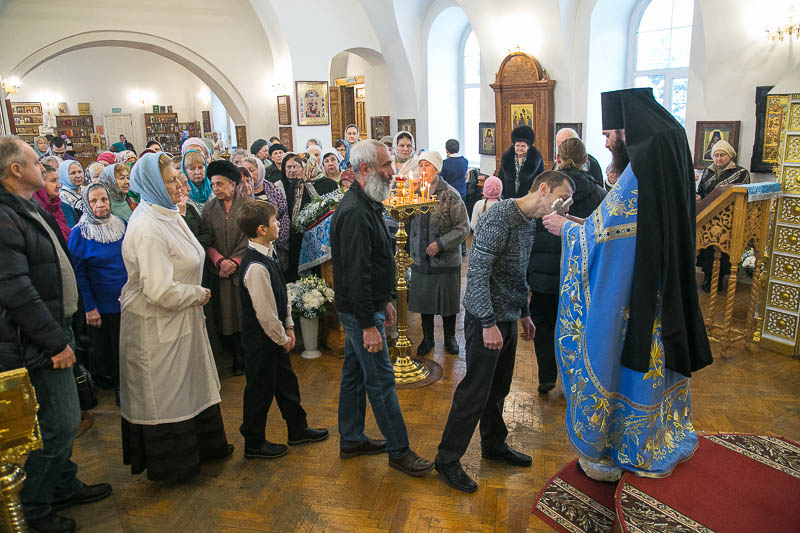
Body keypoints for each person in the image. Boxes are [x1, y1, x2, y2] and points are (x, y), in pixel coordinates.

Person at [542, 87, 713, 482]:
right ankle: (658, 436)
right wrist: (583, 224)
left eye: (608, 134)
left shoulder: (637, 172)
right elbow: (626, 229)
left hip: (636, 294)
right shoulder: (667, 151)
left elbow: (605, 237)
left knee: (626, 360)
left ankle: (621, 448)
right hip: (660, 285)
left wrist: (565, 229)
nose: (605, 142)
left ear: (625, 130)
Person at [434, 170, 573, 493]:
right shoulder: (499, 217)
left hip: (507, 318)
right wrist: (487, 323)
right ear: (543, 189)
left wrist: (524, 313)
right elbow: (478, 274)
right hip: (487, 320)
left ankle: (494, 444)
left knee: (498, 388)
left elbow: (518, 271)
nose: (566, 207)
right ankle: (447, 459)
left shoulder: (529, 222)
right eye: (563, 198)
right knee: (474, 392)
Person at [0, 136, 112, 532]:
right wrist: (55, 342)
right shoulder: (5, 216)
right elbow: (16, 290)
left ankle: (62, 484)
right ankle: (33, 505)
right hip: (37, 340)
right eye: (36, 162)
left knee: (63, 415)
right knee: (60, 422)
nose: (45, 168)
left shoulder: (26, 206)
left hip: (55, 327)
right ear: (15, 170)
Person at [120, 152, 232, 482]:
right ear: (153, 185)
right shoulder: (148, 227)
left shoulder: (167, 212)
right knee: (169, 395)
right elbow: (159, 290)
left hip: (182, 318)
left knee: (192, 385)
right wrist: (198, 294)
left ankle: (206, 447)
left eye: (178, 178)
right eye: (171, 181)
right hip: (158, 323)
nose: (180, 185)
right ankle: (175, 465)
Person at [330, 139, 434, 477]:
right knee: (381, 380)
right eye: (387, 165)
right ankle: (399, 450)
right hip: (359, 313)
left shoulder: (366, 202)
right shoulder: (355, 212)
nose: (393, 172)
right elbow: (354, 273)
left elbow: (373, 263)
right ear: (365, 170)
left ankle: (351, 438)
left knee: (354, 373)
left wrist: (385, 301)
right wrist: (367, 324)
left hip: (366, 307)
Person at [236, 200, 329, 459]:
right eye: (275, 221)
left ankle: (297, 429)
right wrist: (281, 337)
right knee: (259, 391)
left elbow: (281, 295)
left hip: (276, 335)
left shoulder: (269, 251)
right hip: (261, 340)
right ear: (262, 229)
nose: (279, 224)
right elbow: (265, 313)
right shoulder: (255, 266)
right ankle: (254, 442)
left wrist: (289, 325)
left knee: (287, 385)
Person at [527, 138, 605, 395]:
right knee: (578, 329)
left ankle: (546, 376)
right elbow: (601, 236)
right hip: (580, 274)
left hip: (543, 273)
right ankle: (572, 381)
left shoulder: (544, 189)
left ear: (557, 158)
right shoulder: (599, 194)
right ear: (586, 160)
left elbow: (531, 229)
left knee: (543, 324)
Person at [68, 182, 128, 405]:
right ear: (86, 204)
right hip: (102, 304)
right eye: (93, 201)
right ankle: (118, 387)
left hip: (127, 299)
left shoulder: (121, 224)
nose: (100, 204)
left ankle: (130, 383)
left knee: (128, 346)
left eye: (103, 199)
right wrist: (90, 307)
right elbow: (79, 275)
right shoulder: (80, 233)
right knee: (110, 349)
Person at [408, 151, 469, 356]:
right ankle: (428, 338)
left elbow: (463, 228)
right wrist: (409, 197)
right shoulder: (414, 193)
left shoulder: (450, 194)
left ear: (437, 168)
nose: (423, 169)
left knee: (447, 302)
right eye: (420, 165)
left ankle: (450, 337)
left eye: (427, 165)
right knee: (424, 301)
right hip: (420, 258)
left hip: (445, 260)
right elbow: (404, 222)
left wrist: (440, 244)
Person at [202, 160, 249, 375]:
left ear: (233, 184)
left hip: (244, 268)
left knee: (245, 310)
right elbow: (206, 239)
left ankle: (248, 353)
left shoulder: (248, 205)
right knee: (227, 313)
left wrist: (236, 261)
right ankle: (236, 355)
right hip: (220, 270)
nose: (216, 189)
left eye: (220, 184)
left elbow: (251, 236)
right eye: (213, 185)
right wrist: (220, 261)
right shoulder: (209, 209)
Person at [696, 139, 751, 292]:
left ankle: (718, 279)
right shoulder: (707, 171)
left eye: (722, 155)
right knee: (707, 250)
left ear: (730, 156)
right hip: (707, 216)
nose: (718, 158)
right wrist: (698, 197)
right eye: (716, 155)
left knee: (722, 251)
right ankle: (708, 277)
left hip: (727, 218)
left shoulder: (740, 173)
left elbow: (743, 195)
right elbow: (701, 191)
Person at [282, 153, 338, 282]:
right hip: (298, 236)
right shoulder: (295, 185)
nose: (295, 170)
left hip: (320, 236)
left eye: (299, 166)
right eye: (293, 167)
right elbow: (290, 208)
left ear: (309, 167)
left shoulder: (328, 184)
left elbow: (329, 208)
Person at [242, 155, 290, 269]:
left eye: (251, 170)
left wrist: (277, 238)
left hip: (278, 243)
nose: (249, 175)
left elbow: (284, 216)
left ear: (260, 171)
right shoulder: (242, 192)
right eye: (245, 172)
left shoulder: (273, 188)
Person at [497, 125, 544, 198]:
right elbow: (501, 177)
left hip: (528, 197)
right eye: (517, 145)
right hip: (508, 197)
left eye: (523, 146)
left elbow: (541, 179)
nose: (520, 148)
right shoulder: (506, 158)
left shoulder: (536, 159)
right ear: (514, 145)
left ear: (528, 147)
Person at [33, 163, 74, 242]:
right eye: (53, 181)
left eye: (58, 180)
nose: (59, 185)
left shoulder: (58, 207)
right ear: (40, 183)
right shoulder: (34, 211)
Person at [183, 149, 213, 214]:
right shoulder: (182, 194)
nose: (197, 172)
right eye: (192, 169)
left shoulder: (214, 188)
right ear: (185, 171)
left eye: (200, 167)